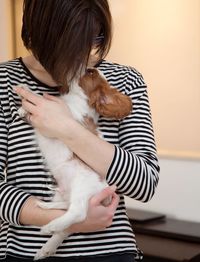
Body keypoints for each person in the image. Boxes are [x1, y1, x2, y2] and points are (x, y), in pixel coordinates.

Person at [0, 0, 160, 261]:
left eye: (94, 37)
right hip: (25, 253)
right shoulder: (5, 82)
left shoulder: (124, 80)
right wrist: (68, 219)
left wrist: (67, 129)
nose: (85, 52)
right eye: (74, 42)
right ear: (39, 32)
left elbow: (145, 183)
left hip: (111, 252)